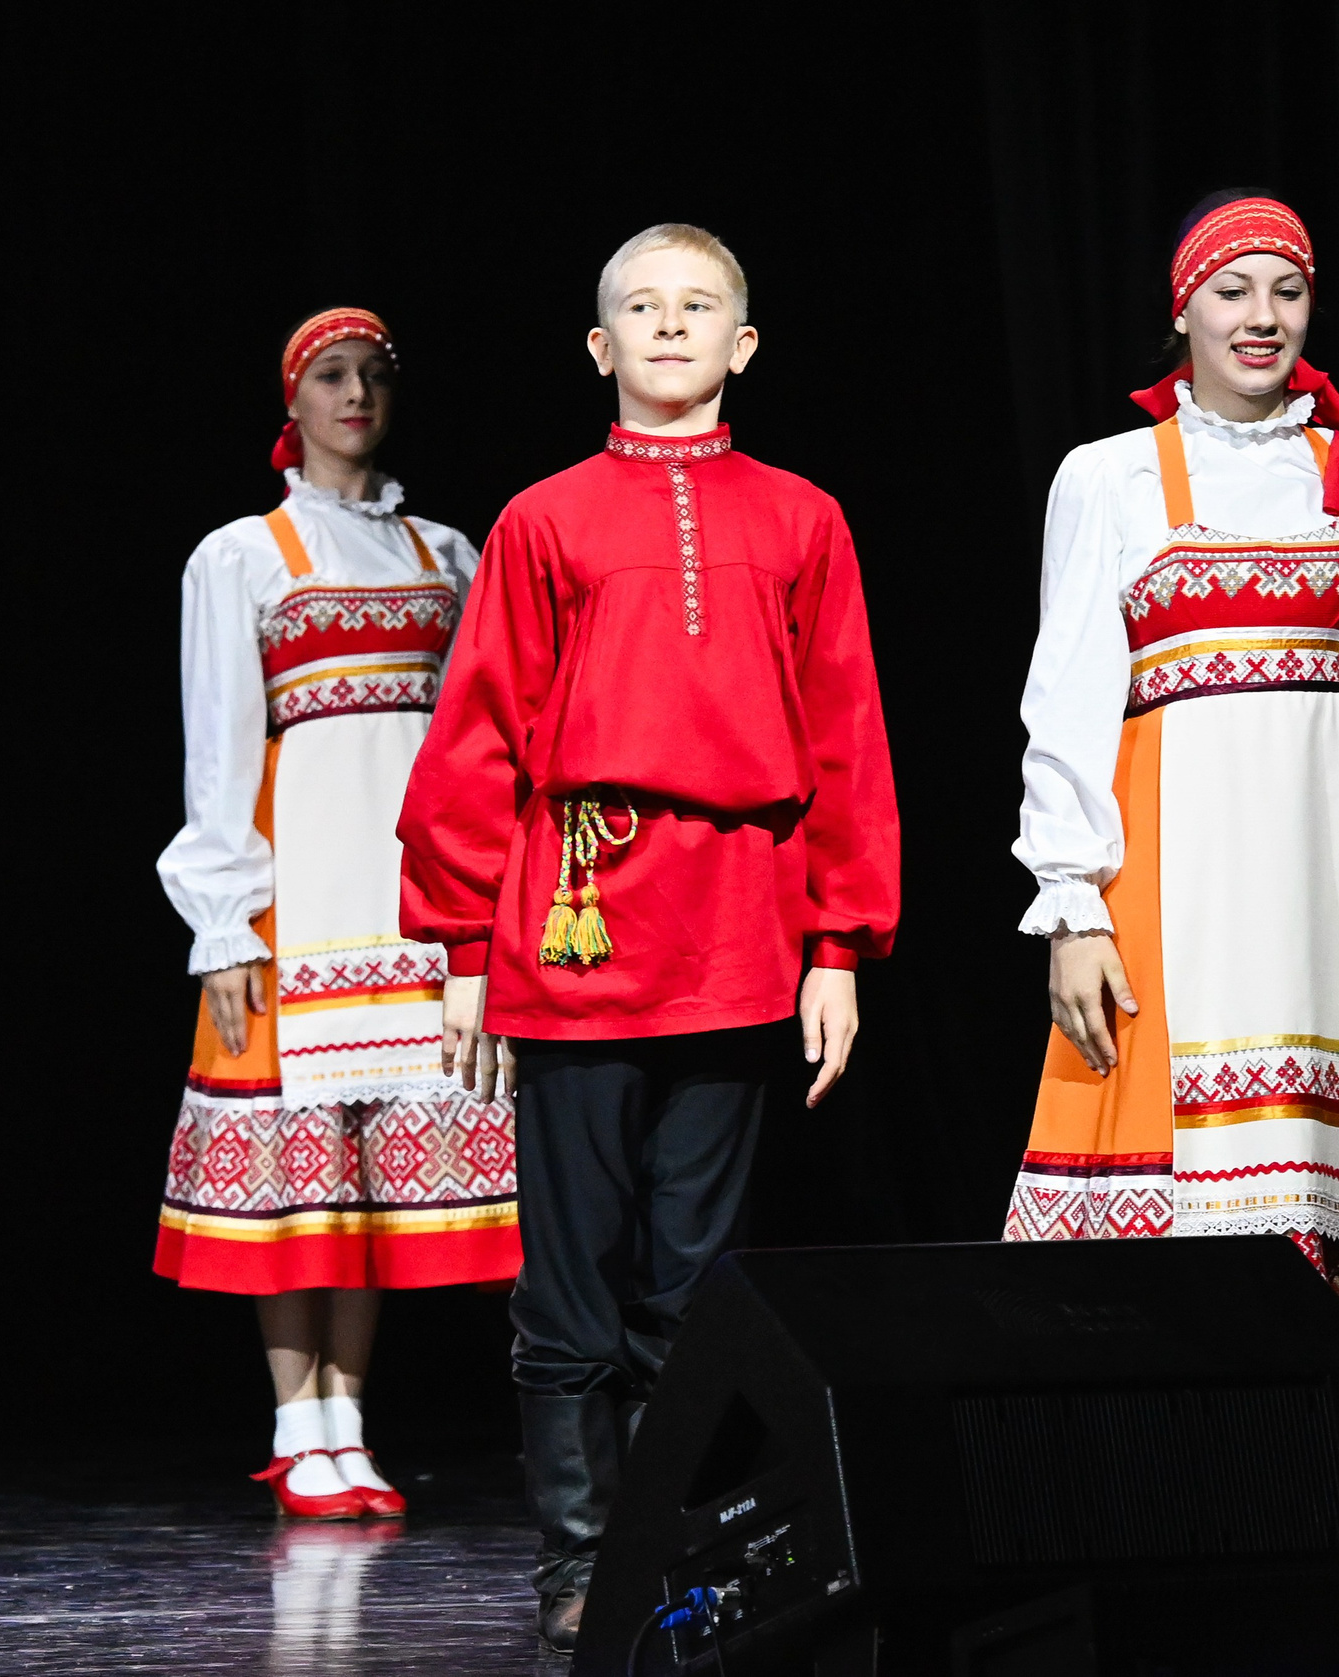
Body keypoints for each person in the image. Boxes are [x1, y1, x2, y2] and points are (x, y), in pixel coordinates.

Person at [397, 225, 900, 1650]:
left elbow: (847, 738)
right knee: (569, 1272)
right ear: (600, 347)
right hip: (577, 921)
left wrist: (838, 949)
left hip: (739, 918)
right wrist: (457, 947)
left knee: (695, 1275)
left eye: (698, 308)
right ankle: (574, 1559)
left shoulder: (802, 518)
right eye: (641, 308)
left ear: (743, 344)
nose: (669, 325)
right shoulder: (544, 519)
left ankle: (675, 1546)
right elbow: (479, 732)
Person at [1005, 192, 1339, 1398]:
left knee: (1333, 1163)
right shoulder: (1110, 477)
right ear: (1182, 309)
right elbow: (1065, 700)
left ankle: (1324, 1477)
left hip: (1334, 883)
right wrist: (1071, 908)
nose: (1261, 316)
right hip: (1176, 889)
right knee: (1176, 1174)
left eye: (1285, 289)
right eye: (1231, 290)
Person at [154, 308, 520, 1524]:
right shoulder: (244, 555)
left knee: (368, 1175)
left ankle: (348, 1421)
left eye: (371, 375)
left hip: (409, 896)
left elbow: (475, 745)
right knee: (294, 1169)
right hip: (298, 888)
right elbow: (218, 749)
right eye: (330, 376)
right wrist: (225, 920)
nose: (354, 393)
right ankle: (291, 1420)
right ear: (292, 403)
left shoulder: (448, 553)